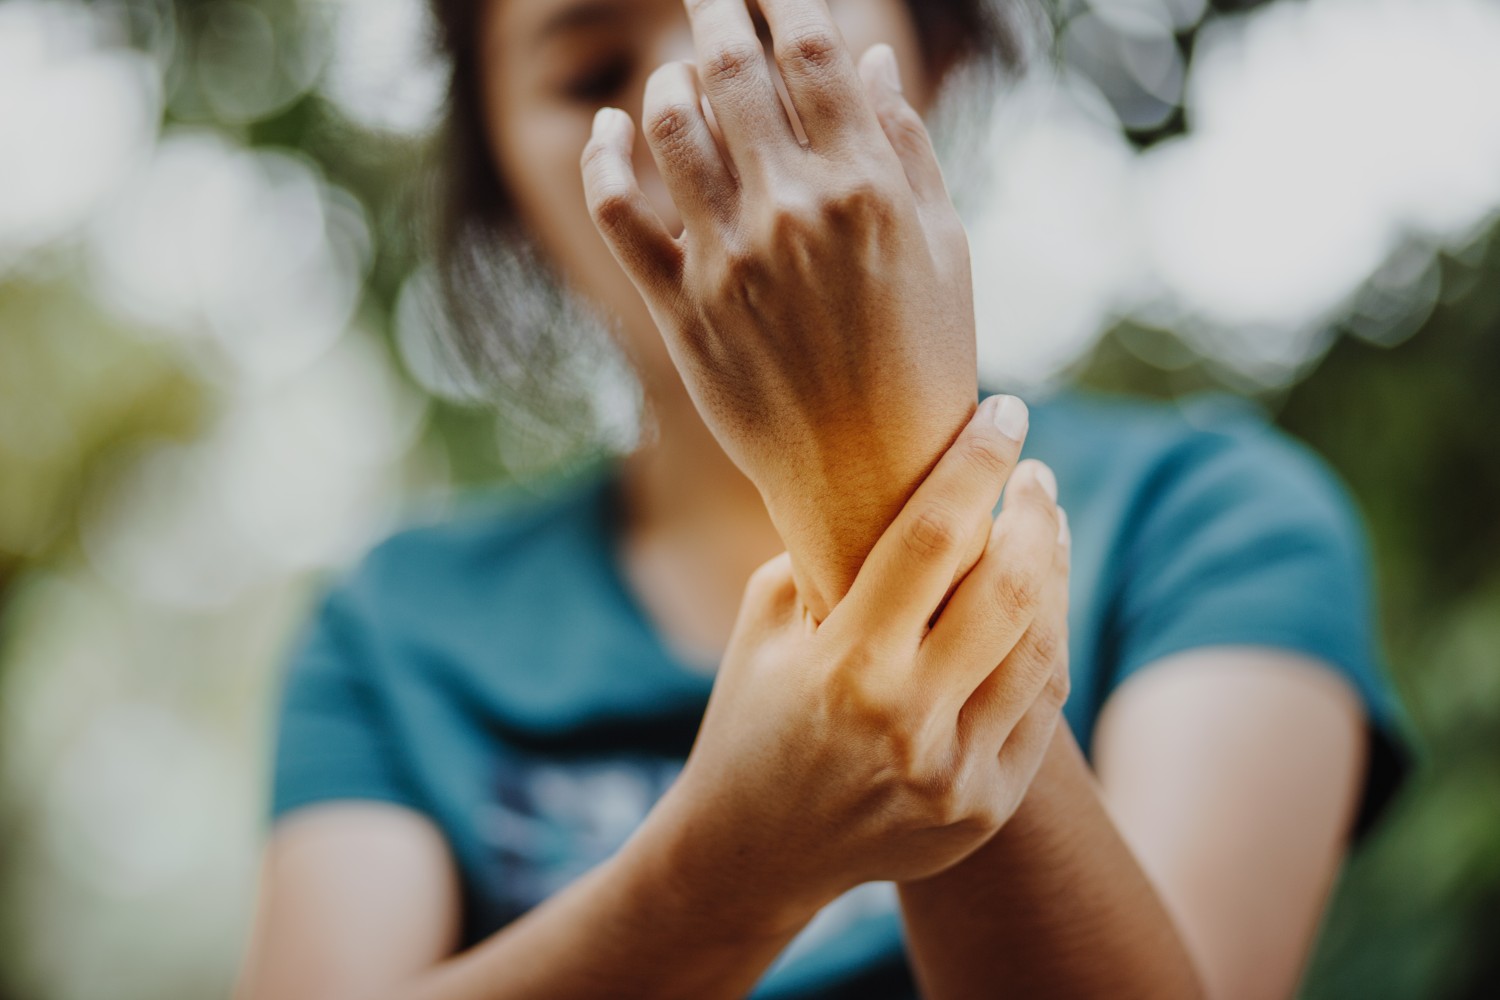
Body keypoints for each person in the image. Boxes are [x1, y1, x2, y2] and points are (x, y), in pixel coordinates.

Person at [237, 2, 1404, 998]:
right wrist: (727, 866)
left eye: (761, 21)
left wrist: (875, 478)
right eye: (590, 76)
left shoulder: (1209, 525)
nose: (686, 107)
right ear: (505, 188)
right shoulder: (396, 636)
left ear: (932, 52)